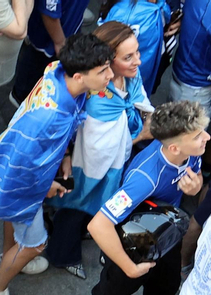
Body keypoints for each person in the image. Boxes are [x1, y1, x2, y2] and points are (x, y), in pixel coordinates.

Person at [0, 34, 115, 295]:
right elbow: (26, 163)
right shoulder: (51, 117)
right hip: (24, 180)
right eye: (102, 72)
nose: (110, 76)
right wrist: (45, 185)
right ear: (79, 75)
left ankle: (7, 256)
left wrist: (61, 157)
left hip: (21, 169)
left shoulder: (57, 72)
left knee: (18, 224)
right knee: (36, 244)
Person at [83, 100, 208, 295]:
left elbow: (196, 176)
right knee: (111, 293)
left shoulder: (191, 151)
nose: (207, 138)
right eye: (199, 135)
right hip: (132, 240)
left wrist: (196, 185)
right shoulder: (144, 178)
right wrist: (129, 266)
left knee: (168, 283)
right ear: (174, 147)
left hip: (165, 230)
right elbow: (99, 224)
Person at [43, 21, 151, 278]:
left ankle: (85, 230)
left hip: (111, 164)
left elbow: (136, 108)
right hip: (90, 167)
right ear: (106, 62)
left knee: (90, 205)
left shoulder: (128, 79)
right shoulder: (96, 100)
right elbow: (98, 148)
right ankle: (62, 255)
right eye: (128, 57)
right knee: (76, 206)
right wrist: (142, 135)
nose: (138, 61)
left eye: (137, 52)